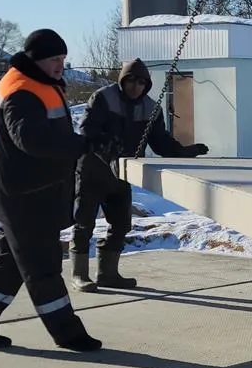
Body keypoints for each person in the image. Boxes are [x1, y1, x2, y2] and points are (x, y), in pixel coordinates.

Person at [0, 29, 100, 352]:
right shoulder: (22, 91)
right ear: (37, 59)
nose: (60, 66)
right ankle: (69, 333)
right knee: (43, 266)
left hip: (25, 191)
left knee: (9, 262)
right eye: (54, 59)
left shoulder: (36, 83)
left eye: (63, 59)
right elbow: (31, 139)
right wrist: (80, 145)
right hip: (23, 194)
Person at [72, 58, 208, 291]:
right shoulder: (103, 98)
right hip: (93, 170)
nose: (136, 87)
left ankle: (107, 273)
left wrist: (186, 151)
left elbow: (161, 143)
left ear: (147, 85)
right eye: (132, 81)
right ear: (123, 80)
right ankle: (79, 274)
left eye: (142, 83)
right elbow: (87, 130)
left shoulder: (150, 108)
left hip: (123, 173)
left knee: (121, 224)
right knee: (84, 222)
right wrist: (106, 144)